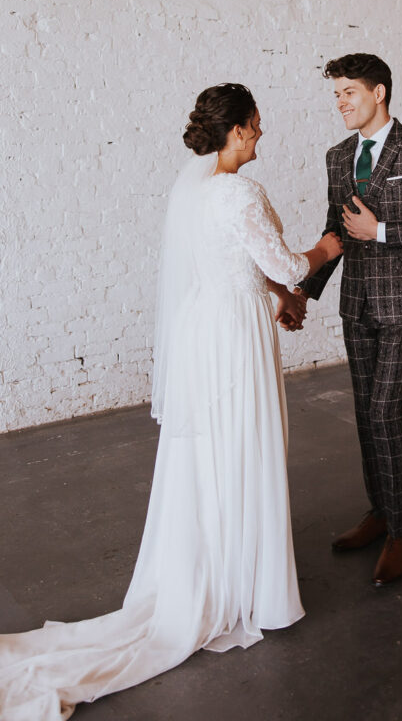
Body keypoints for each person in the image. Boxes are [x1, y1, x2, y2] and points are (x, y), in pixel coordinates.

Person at [0, 83, 342, 721]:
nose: (262, 137)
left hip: (205, 330)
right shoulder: (241, 191)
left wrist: (281, 295)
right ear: (237, 130)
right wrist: (331, 246)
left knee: (214, 449)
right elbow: (289, 262)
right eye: (257, 127)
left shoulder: (193, 191)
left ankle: (218, 561)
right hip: (236, 334)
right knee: (248, 443)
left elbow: (242, 261)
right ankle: (248, 586)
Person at [296, 54, 402, 587]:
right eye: (336, 94)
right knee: (365, 413)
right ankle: (379, 513)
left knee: (385, 411)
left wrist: (386, 232)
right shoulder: (337, 155)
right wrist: (304, 290)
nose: (342, 102)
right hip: (357, 305)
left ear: (380, 92)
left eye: (350, 91)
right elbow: (335, 232)